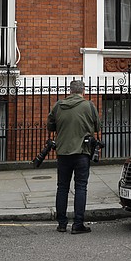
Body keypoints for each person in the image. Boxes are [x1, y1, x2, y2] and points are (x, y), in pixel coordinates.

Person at [47, 79, 100, 234]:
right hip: (82, 152)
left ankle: (62, 224)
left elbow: (50, 126)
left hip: (63, 152)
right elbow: (97, 127)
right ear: (82, 90)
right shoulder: (89, 106)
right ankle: (78, 224)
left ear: (70, 91)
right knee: (80, 187)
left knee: (62, 187)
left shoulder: (58, 105)